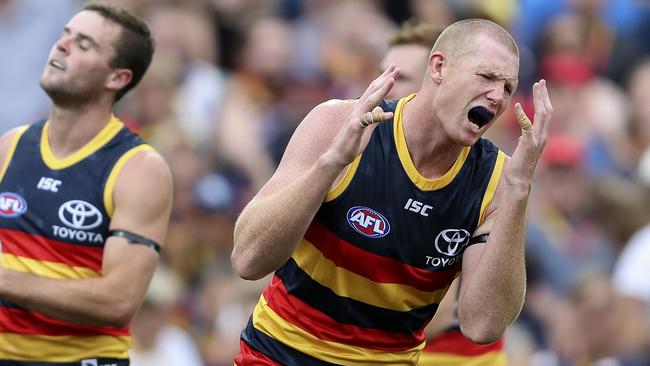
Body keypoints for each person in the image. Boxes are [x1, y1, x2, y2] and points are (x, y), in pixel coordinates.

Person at [232, 18, 553, 365]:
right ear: (439, 67)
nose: (497, 96)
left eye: (508, 87)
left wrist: (519, 189)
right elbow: (247, 260)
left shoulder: (497, 180)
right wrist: (332, 163)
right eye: (487, 77)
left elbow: (483, 325)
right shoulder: (341, 124)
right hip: (280, 355)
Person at [0, 3, 173, 366]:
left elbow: (117, 302)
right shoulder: (10, 145)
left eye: (84, 44)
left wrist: (6, 281)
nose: (61, 46)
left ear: (117, 78)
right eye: (64, 35)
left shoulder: (138, 168)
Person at [380, 19, 508, 366]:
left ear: (437, 73)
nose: (385, 88)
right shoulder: (361, 145)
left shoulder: (484, 180)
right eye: (384, 74)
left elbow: (435, 319)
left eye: (401, 78)